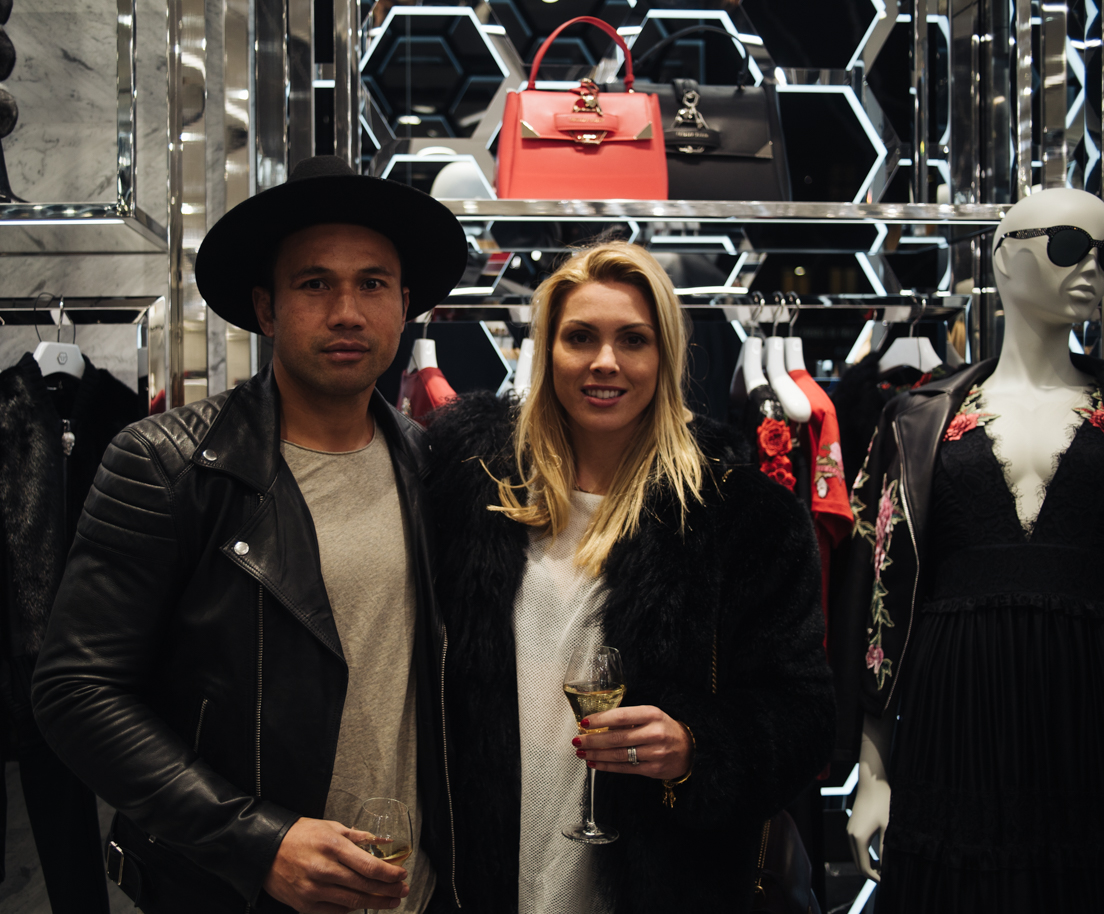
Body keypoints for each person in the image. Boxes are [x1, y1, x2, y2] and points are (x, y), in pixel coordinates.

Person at [30, 155, 468, 914]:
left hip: (410, 889)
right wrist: (257, 841)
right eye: (314, 284)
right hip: (240, 893)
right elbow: (76, 691)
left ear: (404, 306)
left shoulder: (433, 468)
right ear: (266, 309)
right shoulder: (168, 465)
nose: (347, 312)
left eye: (372, 284)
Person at [424, 241, 835, 913]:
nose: (605, 362)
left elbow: (804, 716)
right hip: (487, 873)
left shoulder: (741, 517)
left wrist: (695, 747)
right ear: (547, 350)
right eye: (580, 337)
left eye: (633, 340)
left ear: (665, 357)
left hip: (661, 880)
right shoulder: (473, 493)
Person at [844, 187, 1104, 912]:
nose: (1091, 268)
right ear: (1004, 258)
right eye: (1069, 245)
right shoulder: (917, 418)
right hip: (955, 709)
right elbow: (880, 598)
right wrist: (874, 772)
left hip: (1086, 705)